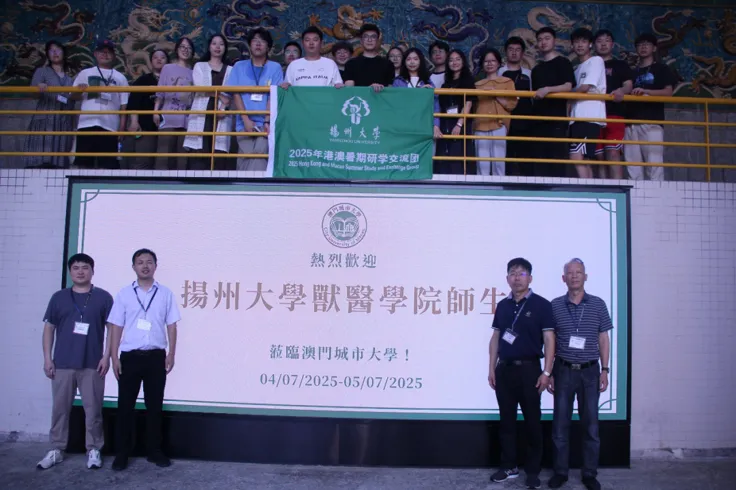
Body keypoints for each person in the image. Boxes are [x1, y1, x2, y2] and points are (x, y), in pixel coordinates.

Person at [37, 254, 114, 470]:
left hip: (93, 364)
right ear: (70, 272)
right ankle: (56, 449)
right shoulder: (58, 297)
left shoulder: (103, 298)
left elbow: (112, 329)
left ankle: (94, 449)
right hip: (62, 363)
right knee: (60, 410)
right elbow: (49, 328)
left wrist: (106, 356)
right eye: (76, 268)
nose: (81, 271)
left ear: (92, 271)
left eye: (85, 267)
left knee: (93, 410)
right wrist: (47, 358)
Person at [108, 249, 181, 471]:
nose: (145, 266)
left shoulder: (165, 293)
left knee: (154, 406)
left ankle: (154, 451)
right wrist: (114, 357)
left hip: (155, 357)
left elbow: (172, 325)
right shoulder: (124, 294)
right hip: (129, 357)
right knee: (125, 407)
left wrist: (171, 354)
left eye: (149, 262)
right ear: (134, 267)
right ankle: (122, 453)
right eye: (140, 262)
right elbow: (116, 326)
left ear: (155, 266)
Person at [488, 258, 555, 490]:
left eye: (522, 273)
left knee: (532, 422)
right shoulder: (503, 306)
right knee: (506, 421)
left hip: (530, 370)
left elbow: (549, 339)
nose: (517, 278)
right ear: (507, 278)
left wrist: (547, 372)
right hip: (504, 370)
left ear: (530, 278)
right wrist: (491, 368)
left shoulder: (542, 305)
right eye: (513, 273)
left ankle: (533, 471)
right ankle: (509, 466)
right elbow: (496, 337)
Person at [548, 258, 613, 490]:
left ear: (586, 276)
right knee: (560, 425)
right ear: (563, 278)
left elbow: (603, 338)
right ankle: (560, 472)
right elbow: (550, 341)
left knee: (591, 426)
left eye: (578, 272)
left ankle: (589, 474)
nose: (574, 276)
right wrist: (549, 372)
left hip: (590, 372)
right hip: (563, 370)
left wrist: (605, 369)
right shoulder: (555, 305)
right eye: (570, 272)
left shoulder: (598, 304)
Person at [227, 27, 283, 171]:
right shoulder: (239, 66)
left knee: (259, 155)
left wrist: (267, 121)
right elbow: (235, 94)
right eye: (255, 41)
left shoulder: (275, 67)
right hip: (243, 124)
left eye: (262, 41)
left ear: (268, 47)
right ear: (249, 45)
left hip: (266, 124)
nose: (258, 44)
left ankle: (247, 184)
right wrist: (245, 119)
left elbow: (273, 96)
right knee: (246, 155)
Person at [624, 33, 675, 181]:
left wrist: (646, 92)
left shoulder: (661, 69)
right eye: (640, 45)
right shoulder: (632, 72)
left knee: (654, 163)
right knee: (632, 165)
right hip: (631, 122)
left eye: (647, 44)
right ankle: (635, 193)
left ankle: (656, 193)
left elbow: (668, 92)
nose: (643, 47)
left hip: (652, 121)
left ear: (654, 48)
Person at [72, 39, 129, 169]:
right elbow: (73, 97)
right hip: (87, 123)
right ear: (95, 54)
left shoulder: (120, 77)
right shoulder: (85, 73)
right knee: (84, 164)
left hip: (110, 126)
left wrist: (121, 130)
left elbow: (124, 106)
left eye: (108, 52)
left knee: (108, 165)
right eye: (102, 51)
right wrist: (79, 90)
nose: (105, 54)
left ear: (114, 56)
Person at [183, 35, 233, 170]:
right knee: (199, 152)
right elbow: (201, 88)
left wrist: (224, 107)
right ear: (209, 47)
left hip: (221, 114)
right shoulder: (200, 66)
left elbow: (230, 95)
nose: (217, 47)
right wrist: (220, 96)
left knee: (218, 154)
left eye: (221, 44)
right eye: (214, 43)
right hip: (202, 111)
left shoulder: (230, 70)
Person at [531, 27, 575, 177]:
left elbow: (568, 86)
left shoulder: (563, 62)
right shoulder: (536, 69)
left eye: (547, 38)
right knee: (539, 161)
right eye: (540, 39)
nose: (543, 42)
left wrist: (548, 89)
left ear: (554, 41)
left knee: (556, 160)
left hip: (556, 119)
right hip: (538, 120)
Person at [24, 40, 75, 168]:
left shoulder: (70, 79)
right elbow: (33, 93)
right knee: (41, 157)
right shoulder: (42, 71)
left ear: (63, 53)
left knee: (60, 160)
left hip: (63, 121)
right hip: (46, 118)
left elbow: (72, 100)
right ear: (47, 54)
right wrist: (39, 87)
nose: (55, 53)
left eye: (58, 49)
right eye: (51, 50)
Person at [593, 30, 633, 179]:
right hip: (594, 114)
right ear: (594, 45)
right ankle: (603, 188)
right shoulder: (590, 65)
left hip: (614, 113)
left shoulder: (620, 65)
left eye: (607, 40)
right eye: (599, 41)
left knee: (613, 152)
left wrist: (621, 91)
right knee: (599, 157)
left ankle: (617, 187)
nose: (603, 44)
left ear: (612, 44)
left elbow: (628, 85)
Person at [568, 28, 607, 179]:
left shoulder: (596, 61)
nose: (580, 45)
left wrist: (566, 94)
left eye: (583, 41)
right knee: (585, 158)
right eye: (576, 42)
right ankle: (589, 186)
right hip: (577, 118)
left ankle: (586, 186)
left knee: (576, 156)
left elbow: (585, 87)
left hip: (589, 117)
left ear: (590, 44)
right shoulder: (577, 69)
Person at [474, 48, 517, 176]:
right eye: (486, 61)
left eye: (493, 61)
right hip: (480, 125)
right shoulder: (477, 85)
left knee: (499, 161)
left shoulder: (507, 82)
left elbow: (512, 104)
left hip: (499, 124)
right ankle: (482, 187)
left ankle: (499, 186)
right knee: (482, 162)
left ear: (499, 63)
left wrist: (496, 95)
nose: (489, 64)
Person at [154, 37, 195, 170]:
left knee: (182, 159)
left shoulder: (193, 73)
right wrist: (155, 111)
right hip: (168, 117)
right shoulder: (168, 68)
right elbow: (160, 91)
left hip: (186, 120)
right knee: (164, 156)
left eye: (189, 48)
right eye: (183, 47)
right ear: (177, 49)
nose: (185, 50)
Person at [125, 49, 168, 170]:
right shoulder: (143, 80)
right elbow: (134, 102)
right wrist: (134, 122)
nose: (159, 59)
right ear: (150, 62)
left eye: (162, 57)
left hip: (167, 128)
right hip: (146, 126)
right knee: (143, 161)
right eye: (155, 57)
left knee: (164, 163)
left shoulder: (172, 81)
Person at [436, 49, 476, 175]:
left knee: (459, 154)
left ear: (463, 62)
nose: (454, 62)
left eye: (458, 59)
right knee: (445, 154)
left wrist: (459, 124)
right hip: (446, 123)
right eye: (451, 60)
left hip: (461, 123)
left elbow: (468, 103)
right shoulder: (445, 84)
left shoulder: (468, 81)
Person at [499, 37, 534, 177]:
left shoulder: (529, 74)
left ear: (522, 53)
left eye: (517, 50)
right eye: (511, 49)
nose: (514, 53)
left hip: (524, 121)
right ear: (506, 52)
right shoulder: (499, 73)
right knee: (505, 155)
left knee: (525, 155)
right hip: (504, 121)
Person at [391, 47, 441, 139]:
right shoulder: (398, 82)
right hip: (403, 127)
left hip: (423, 125)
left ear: (420, 61)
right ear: (404, 62)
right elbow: (394, 105)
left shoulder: (427, 82)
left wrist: (436, 126)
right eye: (409, 59)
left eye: (415, 59)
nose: (412, 62)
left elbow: (435, 106)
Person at [343, 24, 395, 91]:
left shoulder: (388, 64)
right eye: (366, 36)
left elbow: (390, 90)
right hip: (359, 97)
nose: (369, 40)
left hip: (381, 97)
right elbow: (349, 90)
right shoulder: (351, 64)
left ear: (377, 40)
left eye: (373, 37)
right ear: (361, 40)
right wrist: (368, 91)